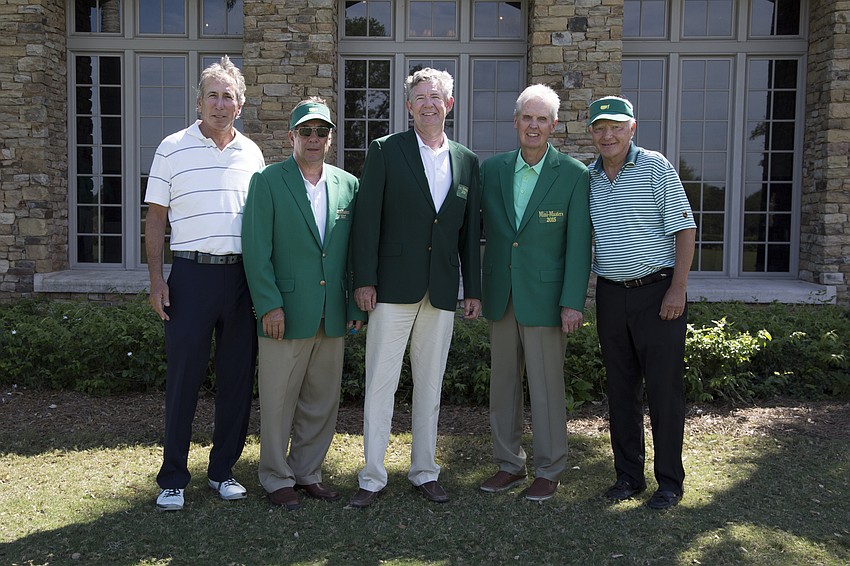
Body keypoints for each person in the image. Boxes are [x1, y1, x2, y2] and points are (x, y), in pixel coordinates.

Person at [348, 67, 482, 508]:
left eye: (436, 95)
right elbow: (366, 220)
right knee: (381, 383)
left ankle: (425, 471)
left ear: (450, 103)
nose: (429, 103)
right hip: (391, 288)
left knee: (430, 385)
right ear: (409, 107)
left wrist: (473, 289)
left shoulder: (466, 161)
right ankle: (372, 476)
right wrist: (364, 280)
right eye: (420, 97)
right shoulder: (386, 150)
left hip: (441, 289)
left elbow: (468, 232)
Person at [145, 55, 265, 511]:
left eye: (228, 96)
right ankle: (173, 477)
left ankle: (222, 471)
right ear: (199, 102)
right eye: (212, 95)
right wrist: (158, 280)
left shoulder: (251, 153)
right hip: (190, 277)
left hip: (240, 279)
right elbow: (156, 219)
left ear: (240, 104)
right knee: (183, 379)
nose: (220, 104)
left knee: (236, 380)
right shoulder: (171, 147)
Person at [242, 98, 364, 511]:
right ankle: (276, 478)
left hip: (332, 313)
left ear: (330, 138)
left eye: (322, 132)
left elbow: (351, 257)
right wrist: (268, 305)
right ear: (291, 136)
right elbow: (256, 251)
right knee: (278, 399)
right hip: (285, 313)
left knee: (322, 399)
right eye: (306, 131)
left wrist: (352, 309)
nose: (314, 139)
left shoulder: (348, 185)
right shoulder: (268, 181)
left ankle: (307, 471)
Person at [478, 84, 592, 502]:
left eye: (542, 119)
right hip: (502, 293)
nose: (533, 125)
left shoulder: (575, 175)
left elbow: (579, 246)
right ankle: (509, 464)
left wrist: (572, 302)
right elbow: (477, 233)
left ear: (554, 125)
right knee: (502, 386)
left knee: (546, 389)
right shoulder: (491, 170)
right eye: (527, 117)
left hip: (547, 299)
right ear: (515, 121)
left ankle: (549, 469)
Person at [587, 96, 696, 510]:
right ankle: (628, 477)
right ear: (592, 132)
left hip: (658, 292)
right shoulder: (590, 177)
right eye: (600, 127)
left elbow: (685, 229)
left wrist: (678, 288)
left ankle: (669, 482)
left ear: (632, 128)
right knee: (621, 391)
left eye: (616, 126)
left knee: (665, 392)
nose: (607, 134)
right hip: (612, 294)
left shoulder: (655, 166)